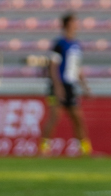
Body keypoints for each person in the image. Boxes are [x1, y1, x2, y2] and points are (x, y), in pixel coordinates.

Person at [39, 13, 91, 156]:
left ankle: (85, 151)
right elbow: (53, 66)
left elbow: (77, 68)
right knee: (54, 116)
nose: (77, 24)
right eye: (75, 22)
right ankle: (44, 149)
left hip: (70, 85)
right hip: (59, 85)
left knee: (78, 118)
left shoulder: (76, 45)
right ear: (68, 24)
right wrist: (57, 86)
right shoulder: (59, 44)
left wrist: (84, 86)